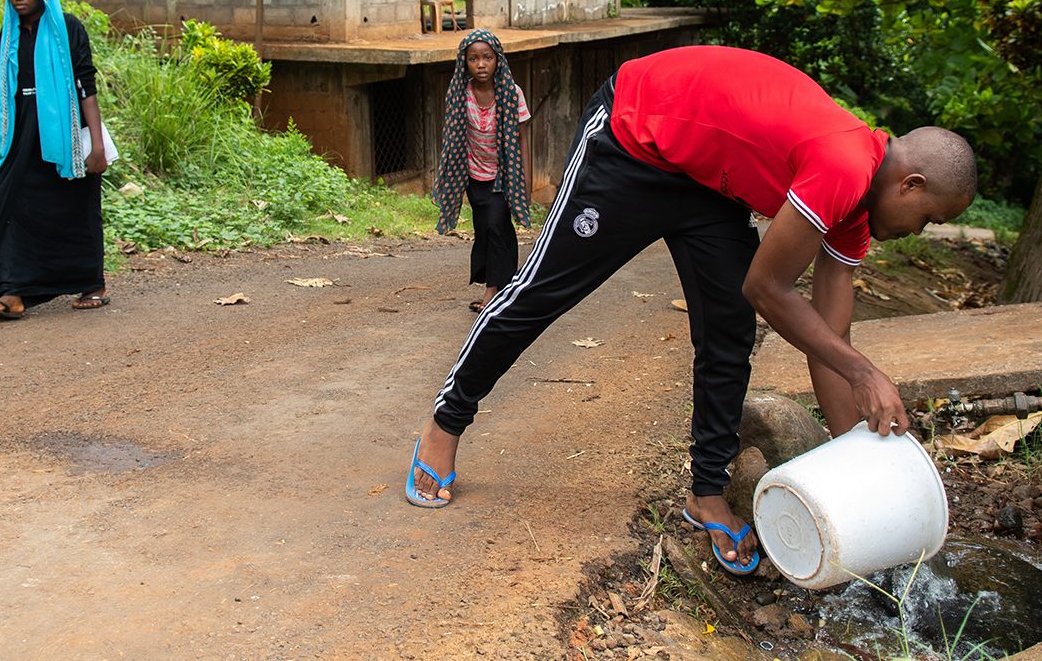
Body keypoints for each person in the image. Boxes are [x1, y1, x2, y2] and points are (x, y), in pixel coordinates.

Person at [405, 45, 976, 576]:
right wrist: (866, 373)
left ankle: (706, 492)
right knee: (541, 292)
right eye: (929, 219)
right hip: (633, 137)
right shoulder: (843, 164)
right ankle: (445, 423)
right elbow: (769, 288)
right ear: (911, 184)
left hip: (706, 184)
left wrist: (860, 462)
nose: (919, 231)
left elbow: (831, 344)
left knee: (728, 330)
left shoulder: (855, 213)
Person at [0, 0, 111, 321]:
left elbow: (86, 85)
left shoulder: (67, 28)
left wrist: (96, 145)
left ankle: (91, 283)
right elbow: (6, 93)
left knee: (75, 207)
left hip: (62, 133)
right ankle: (14, 290)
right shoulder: (9, 33)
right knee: (6, 203)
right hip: (21, 132)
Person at [431, 30, 533, 313]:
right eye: (473, 58)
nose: (481, 64)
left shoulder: (512, 94)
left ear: (498, 60)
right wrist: (448, 178)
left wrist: (526, 181)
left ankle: (492, 293)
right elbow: (451, 138)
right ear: (464, 62)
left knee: (496, 226)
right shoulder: (459, 95)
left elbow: (524, 138)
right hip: (475, 175)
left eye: (487, 58)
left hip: (505, 175)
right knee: (486, 229)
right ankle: (504, 284)